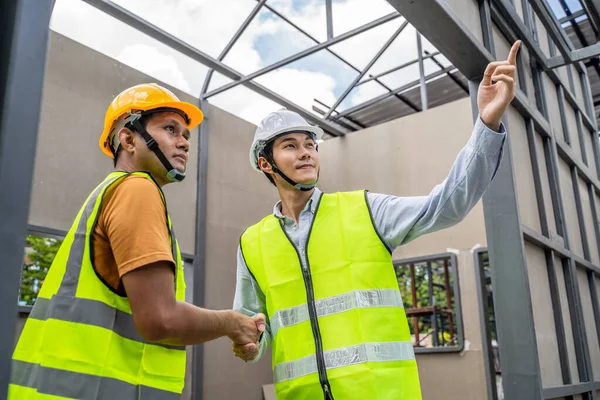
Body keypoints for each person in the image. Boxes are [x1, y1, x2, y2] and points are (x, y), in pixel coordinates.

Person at [232, 41, 522, 400]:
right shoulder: (252, 242)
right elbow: (252, 327)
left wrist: (488, 122)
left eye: (310, 144)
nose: (306, 152)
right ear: (266, 163)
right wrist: (250, 345)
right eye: (290, 146)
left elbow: (447, 204)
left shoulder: (365, 210)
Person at [10, 83, 264, 399]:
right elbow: (160, 319)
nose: (184, 143)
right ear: (128, 139)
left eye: (186, 135)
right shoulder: (137, 191)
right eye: (171, 129)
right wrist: (232, 323)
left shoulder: (107, 193)